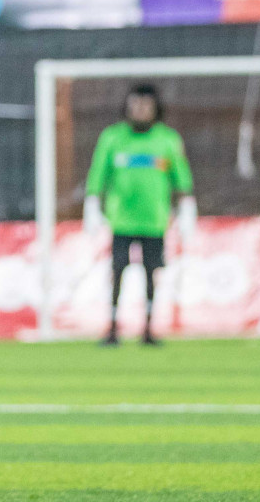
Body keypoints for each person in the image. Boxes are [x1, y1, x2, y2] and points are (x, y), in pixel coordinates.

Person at [84, 84, 196, 346]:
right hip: (121, 219)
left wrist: (188, 205)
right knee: (117, 270)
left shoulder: (167, 139)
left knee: (151, 272)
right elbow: (98, 173)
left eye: (146, 106)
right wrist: (92, 202)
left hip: (154, 220)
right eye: (135, 105)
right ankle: (112, 327)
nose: (140, 111)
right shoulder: (112, 138)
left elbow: (181, 176)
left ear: (155, 109)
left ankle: (148, 328)